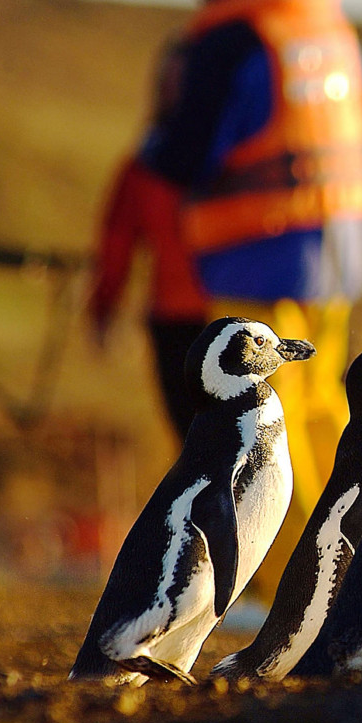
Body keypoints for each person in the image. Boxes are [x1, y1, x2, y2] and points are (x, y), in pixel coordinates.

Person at [103, 0, 362, 597]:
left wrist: (158, 152)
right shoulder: (323, 28)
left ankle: (310, 597)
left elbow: (185, 154)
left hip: (260, 258)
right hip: (338, 255)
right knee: (326, 420)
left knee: (264, 436)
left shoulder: (232, 36)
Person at [87, 48, 210, 442]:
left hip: (237, 313)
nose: (177, 92)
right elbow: (117, 239)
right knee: (194, 444)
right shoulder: (145, 162)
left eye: (187, 82)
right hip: (174, 321)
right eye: (168, 81)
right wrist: (104, 307)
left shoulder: (238, 154)